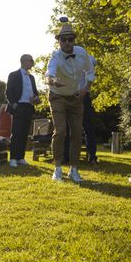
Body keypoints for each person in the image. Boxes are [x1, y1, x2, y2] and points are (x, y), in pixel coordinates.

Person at [45, 19, 96, 183]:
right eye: (63, 39)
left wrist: (85, 89)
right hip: (57, 96)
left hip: (76, 97)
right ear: (59, 41)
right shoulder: (56, 56)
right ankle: (57, 169)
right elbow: (48, 75)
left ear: (74, 40)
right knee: (60, 131)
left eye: (70, 39)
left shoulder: (82, 52)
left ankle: (74, 170)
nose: (67, 42)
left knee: (76, 133)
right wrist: (53, 81)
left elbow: (90, 71)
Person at [5, 54, 40, 167]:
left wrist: (36, 98)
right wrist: (14, 105)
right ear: (24, 61)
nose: (32, 62)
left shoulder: (32, 77)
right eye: (31, 60)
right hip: (18, 106)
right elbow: (8, 92)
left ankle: (21, 157)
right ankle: (13, 158)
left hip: (29, 107)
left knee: (25, 133)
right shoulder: (14, 75)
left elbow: (35, 92)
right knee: (16, 133)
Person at [63, 54, 98, 165]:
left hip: (83, 96)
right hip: (69, 95)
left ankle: (92, 156)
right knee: (67, 127)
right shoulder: (66, 59)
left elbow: (93, 62)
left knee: (88, 127)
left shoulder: (86, 58)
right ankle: (66, 156)